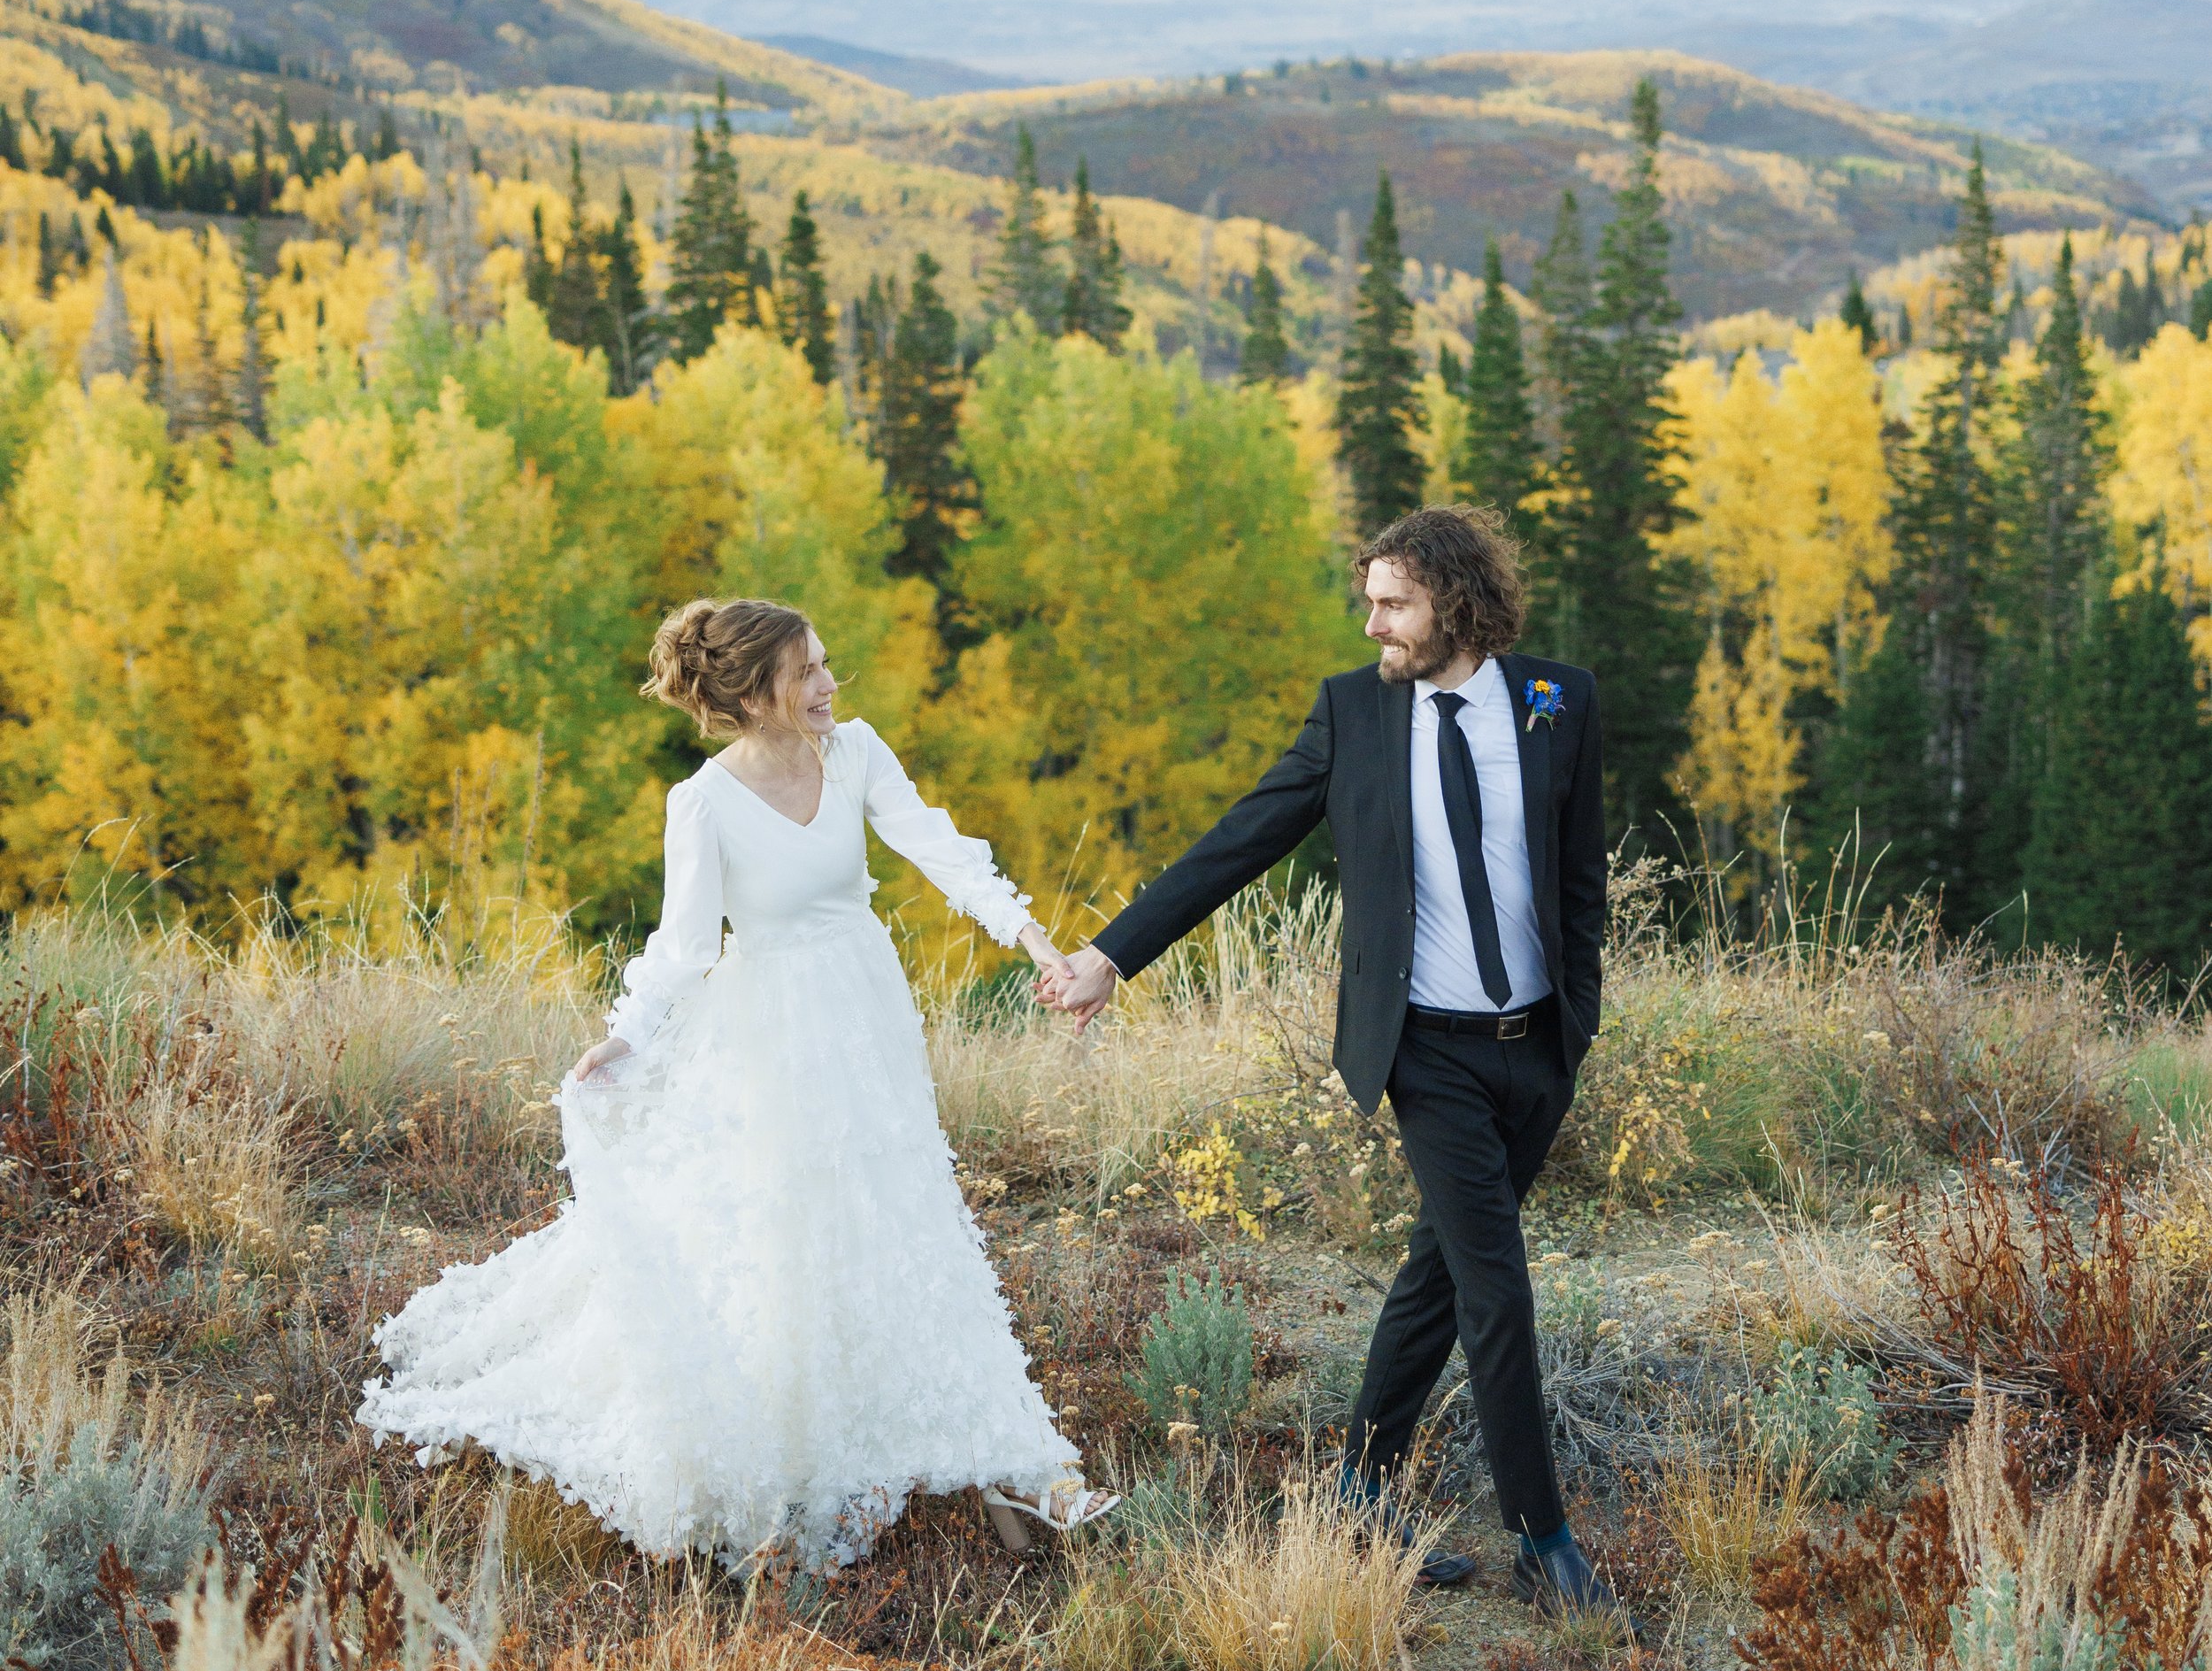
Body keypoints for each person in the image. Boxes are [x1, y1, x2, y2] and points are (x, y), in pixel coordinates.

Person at [361, 597, 1116, 1569]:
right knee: (788, 1233)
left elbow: (939, 849)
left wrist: (1037, 942)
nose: (828, 686)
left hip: (866, 1017)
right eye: (806, 673)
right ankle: (798, 1451)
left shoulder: (855, 751)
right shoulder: (704, 802)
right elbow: (682, 947)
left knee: (901, 1214)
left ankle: (1013, 1449)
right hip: (771, 1034)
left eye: (827, 665)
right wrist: (622, 1037)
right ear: (754, 691)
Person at [1046, 504, 1617, 1612]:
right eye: (1370, 601)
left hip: (1538, 1047)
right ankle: (1543, 1539)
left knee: (1441, 1271)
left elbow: (1580, 873)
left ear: (1455, 602)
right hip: (1425, 1052)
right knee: (1495, 1287)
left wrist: (1575, 1028)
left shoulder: (1558, 699)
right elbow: (1241, 837)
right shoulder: (1355, 713)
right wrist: (1112, 954)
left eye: (1393, 602)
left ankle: (1358, 1488)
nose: (1374, 625)